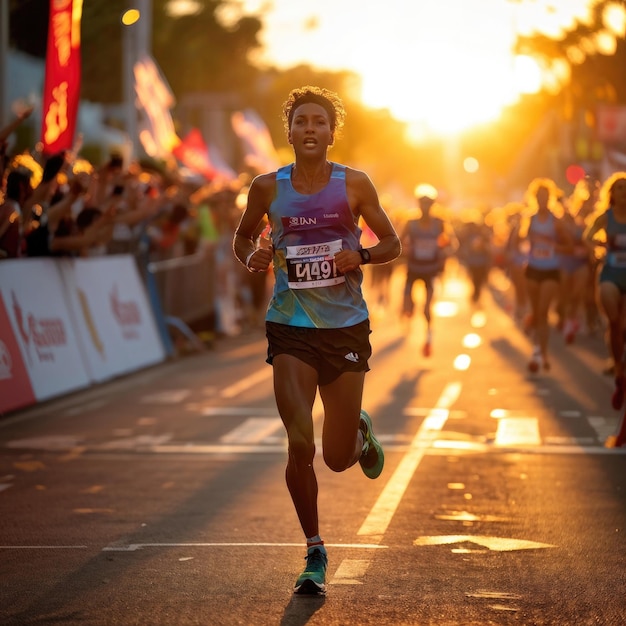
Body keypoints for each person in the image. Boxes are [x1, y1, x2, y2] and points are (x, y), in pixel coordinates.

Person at [232, 86, 401, 595]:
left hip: (346, 327)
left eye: (319, 122)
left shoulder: (355, 183)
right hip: (290, 328)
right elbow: (243, 238)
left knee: (336, 457)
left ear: (331, 133)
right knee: (300, 442)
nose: (310, 129)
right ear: (290, 132)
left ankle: (359, 433)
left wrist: (363, 257)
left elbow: (392, 242)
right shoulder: (266, 188)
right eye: (301, 121)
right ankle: (314, 548)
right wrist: (252, 258)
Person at [512, 178, 572, 372]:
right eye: (539, 197)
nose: (542, 200)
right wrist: (524, 250)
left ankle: (541, 354)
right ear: (534, 198)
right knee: (537, 312)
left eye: (546, 197)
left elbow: (569, 247)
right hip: (533, 269)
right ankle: (537, 349)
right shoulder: (530, 219)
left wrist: (553, 244)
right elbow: (521, 243)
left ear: (551, 198)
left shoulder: (557, 222)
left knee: (544, 312)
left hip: (550, 271)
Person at [583, 172, 626, 410]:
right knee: (614, 322)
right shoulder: (606, 217)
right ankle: (618, 366)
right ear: (612, 194)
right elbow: (587, 236)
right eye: (619, 188)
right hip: (610, 273)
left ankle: (619, 363)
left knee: (623, 325)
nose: (623, 191)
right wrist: (599, 246)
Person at [399, 185, 456, 356]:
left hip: (431, 270)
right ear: (418, 205)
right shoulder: (411, 224)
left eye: (428, 204)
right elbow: (397, 242)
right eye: (422, 204)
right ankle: (410, 310)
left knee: (427, 309)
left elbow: (452, 243)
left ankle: (429, 337)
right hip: (413, 268)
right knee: (408, 307)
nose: (425, 208)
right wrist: (405, 249)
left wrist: (443, 251)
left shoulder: (439, 224)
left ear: (432, 205)